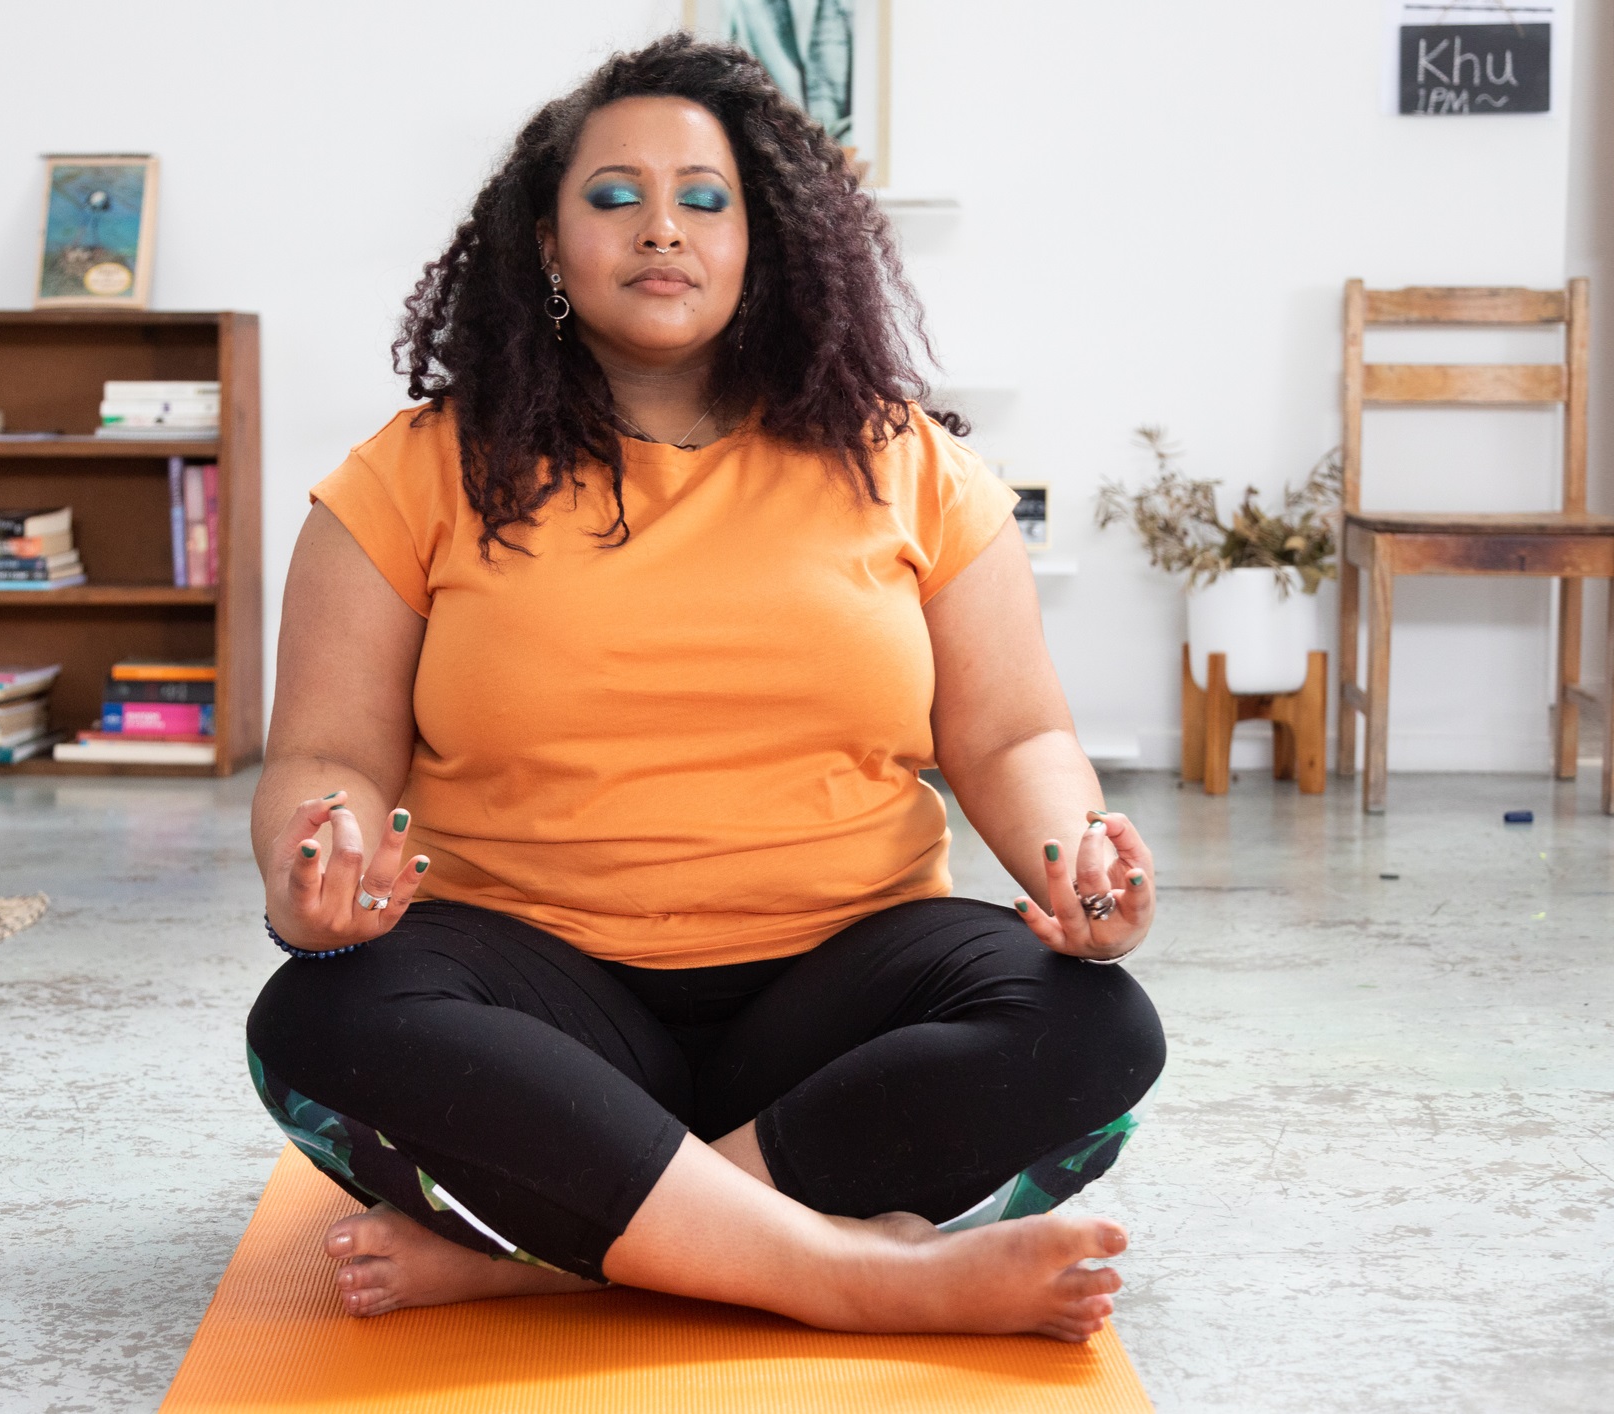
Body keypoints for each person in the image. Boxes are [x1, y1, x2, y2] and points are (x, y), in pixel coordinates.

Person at [245, 33, 1165, 1342]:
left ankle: (557, 1255)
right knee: (322, 1011)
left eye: (704, 196)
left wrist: (1077, 867)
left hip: (834, 989)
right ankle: (862, 1270)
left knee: (1091, 1031)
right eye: (612, 196)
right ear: (547, 245)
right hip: (533, 994)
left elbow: (1013, 733)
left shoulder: (910, 468)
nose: (659, 227)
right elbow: (325, 752)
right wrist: (312, 859)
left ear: (764, 240)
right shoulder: (408, 476)